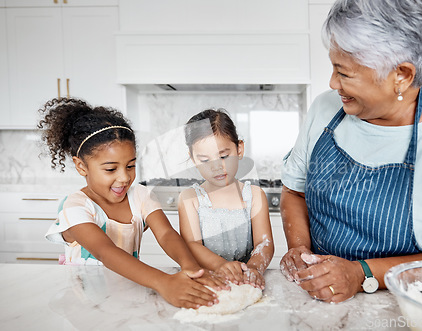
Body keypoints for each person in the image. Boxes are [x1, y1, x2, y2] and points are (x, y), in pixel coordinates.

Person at [280, 0, 422, 303]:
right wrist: (299, 249)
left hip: (410, 309)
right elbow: (295, 192)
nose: (333, 83)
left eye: (344, 73)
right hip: (318, 301)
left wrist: (361, 274)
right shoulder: (325, 109)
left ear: (402, 74)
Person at [39, 97, 226, 309]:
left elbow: (166, 234)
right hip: (85, 302)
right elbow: (104, 251)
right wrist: (164, 282)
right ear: (81, 166)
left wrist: (191, 268)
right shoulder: (75, 207)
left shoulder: (141, 196)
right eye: (111, 169)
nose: (124, 178)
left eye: (130, 166)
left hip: (127, 292)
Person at [178, 109, 274, 290]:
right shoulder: (190, 199)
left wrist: (253, 268)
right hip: (208, 283)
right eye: (205, 160)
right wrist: (221, 265)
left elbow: (264, 243)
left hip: (246, 282)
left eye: (223, 156)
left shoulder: (254, 195)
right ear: (193, 159)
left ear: (239, 149)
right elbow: (192, 245)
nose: (216, 167)